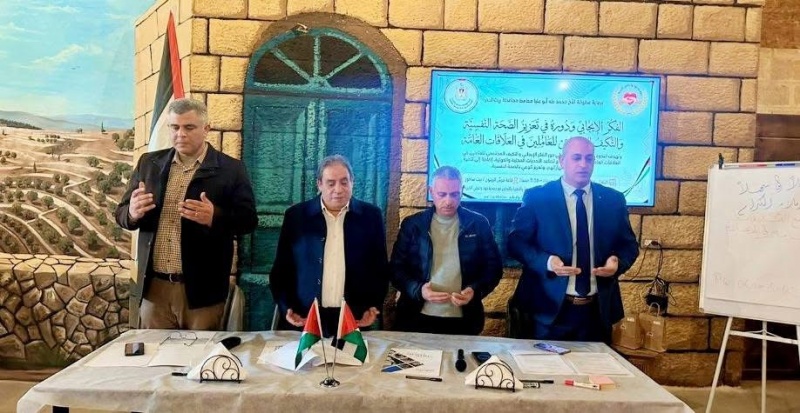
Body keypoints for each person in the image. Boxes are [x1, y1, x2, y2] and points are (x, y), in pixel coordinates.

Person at [116, 98, 257, 330]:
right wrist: (131, 213)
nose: (180, 134)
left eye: (189, 127)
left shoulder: (231, 169)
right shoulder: (149, 163)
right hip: (154, 289)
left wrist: (214, 217)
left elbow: (248, 221)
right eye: (174, 127)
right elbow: (121, 214)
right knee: (154, 353)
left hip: (202, 293)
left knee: (199, 353)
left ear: (206, 129)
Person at [507, 136, 639, 343]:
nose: (583, 164)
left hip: (596, 313)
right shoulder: (538, 197)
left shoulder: (613, 200)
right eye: (576, 158)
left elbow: (629, 245)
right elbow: (516, 243)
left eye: (589, 158)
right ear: (561, 161)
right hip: (547, 313)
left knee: (595, 365)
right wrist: (547, 262)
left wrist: (617, 262)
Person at [270, 155, 389, 336]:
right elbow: (281, 269)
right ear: (319, 184)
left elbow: (380, 268)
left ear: (352, 182)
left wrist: (373, 305)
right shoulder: (297, 217)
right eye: (331, 183)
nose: (338, 190)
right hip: (306, 316)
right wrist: (286, 307)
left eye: (344, 182)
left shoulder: (371, 216)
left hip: (354, 317)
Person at [390, 166, 502, 335]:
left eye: (454, 194)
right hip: (416, 316)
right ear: (431, 192)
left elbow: (493, 269)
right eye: (442, 194)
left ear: (462, 192)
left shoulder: (478, 224)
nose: (448, 201)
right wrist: (419, 290)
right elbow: (396, 270)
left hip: (464, 319)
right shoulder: (413, 225)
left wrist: (475, 291)